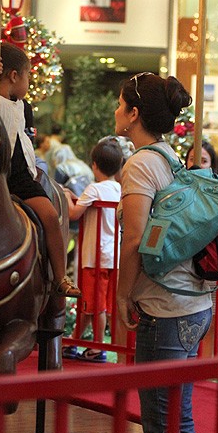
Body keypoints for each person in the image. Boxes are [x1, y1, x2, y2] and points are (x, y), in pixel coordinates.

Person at [115, 72, 212, 433]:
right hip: (195, 302)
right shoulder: (170, 157)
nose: (116, 111)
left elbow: (135, 238)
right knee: (180, 415)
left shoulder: (140, 164)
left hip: (163, 306)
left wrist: (122, 294)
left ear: (134, 114)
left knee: (161, 423)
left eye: (120, 105)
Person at [0, 29, 80, 299]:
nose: (29, 82)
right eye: (28, 76)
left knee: (48, 215)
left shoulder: (24, 106)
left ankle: (59, 276)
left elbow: (24, 140)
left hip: (19, 176)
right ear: (14, 76)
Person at [64, 136, 123, 363]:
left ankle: (97, 347)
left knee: (94, 304)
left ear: (94, 165)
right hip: (112, 255)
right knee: (95, 303)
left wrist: (67, 196)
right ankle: (75, 340)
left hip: (93, 256)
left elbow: (73, 214)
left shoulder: (94, 189)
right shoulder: (119, 189)